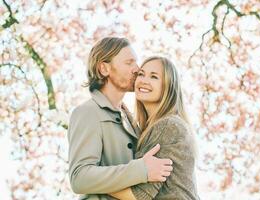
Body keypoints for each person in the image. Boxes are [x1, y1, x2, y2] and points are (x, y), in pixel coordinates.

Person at [68, 38, 173, 200]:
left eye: (136, 62)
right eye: (129, 62)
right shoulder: (88, 112)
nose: (137, 69)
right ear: (104, 69)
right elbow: (79, 178)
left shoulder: (130, 118)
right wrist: (141, 170)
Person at [109, 56, 200, 200]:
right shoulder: (156, 127)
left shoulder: (168, 126)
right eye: (141, 74)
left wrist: (91, 178)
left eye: (154, 77)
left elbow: (138, 195)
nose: (144, 80)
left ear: (168, 86)